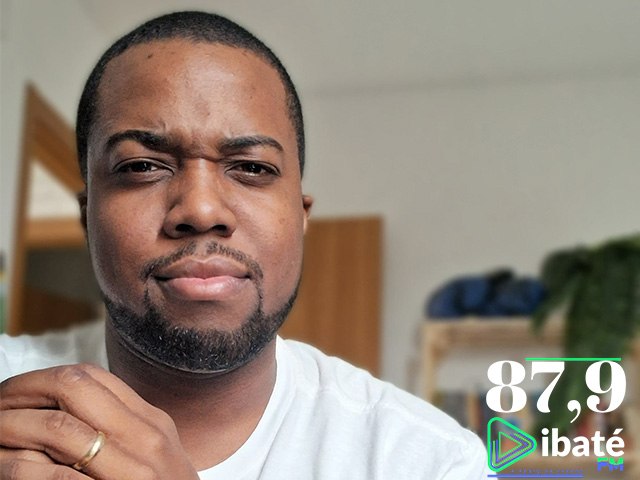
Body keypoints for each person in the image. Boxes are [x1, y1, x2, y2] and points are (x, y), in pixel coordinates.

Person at [0, 11, 489, 479]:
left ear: (301, 215)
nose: (201, 210)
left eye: (252, 167)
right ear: (87, 216)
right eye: (142, 166)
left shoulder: (433, 463)